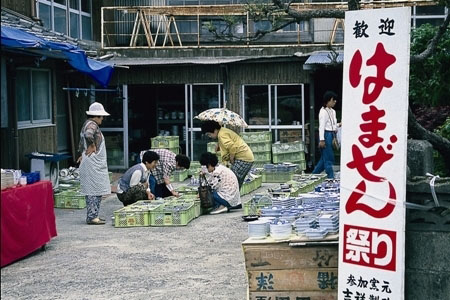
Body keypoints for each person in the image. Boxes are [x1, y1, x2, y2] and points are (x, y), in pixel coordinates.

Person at [77, 102, 111, 225]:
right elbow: (88, 135)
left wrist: (82, 154)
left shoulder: (87, 124)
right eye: (101, 116)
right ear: (96, 116)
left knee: (96, 190)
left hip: (91, 161)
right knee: (93, 191)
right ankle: (92, 216)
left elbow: (81, 143)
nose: (102, 118)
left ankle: (94, 215)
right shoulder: (92, 124)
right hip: (93, 163)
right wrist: (91, 145)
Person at [200, 120, 254, 190]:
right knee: (236, 182)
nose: (210, 136)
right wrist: (219, 144)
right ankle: (235, 198)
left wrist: (231, 159)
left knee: (232, 180)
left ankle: (232, 198)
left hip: (243, 159)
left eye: (209, 134)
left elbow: (232, 147)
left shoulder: (222, 135)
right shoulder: (222, 132)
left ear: (215, 130)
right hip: (246, 158)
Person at [312, 91, 341, 179]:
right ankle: (330, 177)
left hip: (331, 133)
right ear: (328, 101)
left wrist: (338, 125)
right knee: (328, 158)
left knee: (324, 158)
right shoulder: (323, 112)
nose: (334, 102)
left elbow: (332, 125)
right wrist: (322, 140)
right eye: (333, 100)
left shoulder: (333, 111)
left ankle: (313, 175)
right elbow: (322, 126)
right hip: (325, 135)